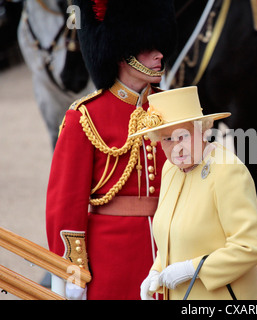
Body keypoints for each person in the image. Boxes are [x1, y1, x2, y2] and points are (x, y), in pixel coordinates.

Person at [45, 0, 176, 300]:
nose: (160, 55)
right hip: (113, 258)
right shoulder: (84, 117)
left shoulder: (173, 107)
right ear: (122, 52)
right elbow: (66, 204)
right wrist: (73, 269)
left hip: (173, 250)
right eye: (148, 47)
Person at [136, 86, 257, 300]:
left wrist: (192, 269)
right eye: (167, 139)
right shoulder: (171, 170)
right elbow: (171, 235)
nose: (176, 147)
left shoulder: (227, 170)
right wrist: (156, 271)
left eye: (183, 136)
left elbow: (249, 246)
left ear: (203, 131)